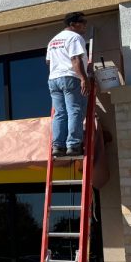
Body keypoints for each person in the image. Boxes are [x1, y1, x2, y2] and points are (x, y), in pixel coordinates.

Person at [46, 12, 90, 157]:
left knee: (60, 113)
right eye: (82, 22)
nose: (85, 24)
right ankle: (73, 145)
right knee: (74, 110)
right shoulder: (75, 37)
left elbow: (48, 62)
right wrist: (84, 78)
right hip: (70, 77)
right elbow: (75, 59)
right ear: (73, 24)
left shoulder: (53, 40)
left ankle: (58, 146)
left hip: (54, 79)